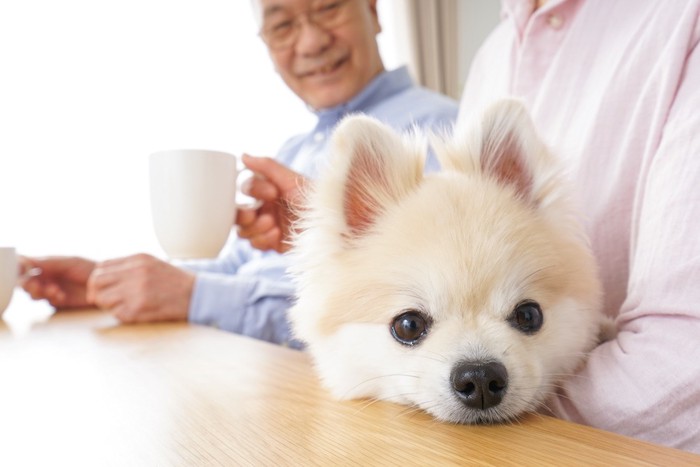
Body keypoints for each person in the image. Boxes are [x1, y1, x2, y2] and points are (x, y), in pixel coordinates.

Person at [228, 0, 700, 454]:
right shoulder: (494, 52)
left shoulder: (680, 18)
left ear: (373, 12)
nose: (479, 378)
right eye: (410, 327)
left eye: (524, 317)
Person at [20, 0, 458, 347]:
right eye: (282, 25)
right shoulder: (295, 148)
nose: (310, 43)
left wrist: (191, 296)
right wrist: (107, 282)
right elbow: (234, 267)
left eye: (328, 7)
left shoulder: (439, 134)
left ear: (374, 11)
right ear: (266, 44)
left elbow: (401, 318)